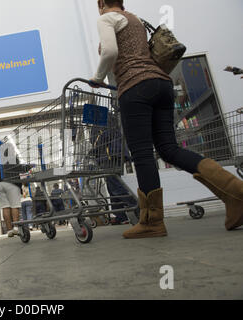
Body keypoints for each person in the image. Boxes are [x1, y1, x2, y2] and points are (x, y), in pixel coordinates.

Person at [90, 0, 243, 238]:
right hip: (161, 83)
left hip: (135, 87)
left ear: (100, 3)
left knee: (142, 154)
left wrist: (97, 78)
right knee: (169, 149)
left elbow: (110, 51)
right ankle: (236, 193)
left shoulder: (106, 18)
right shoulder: (135, 20)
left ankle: (152, 221)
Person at [0, 147, 28, 237]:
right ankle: (15, 228)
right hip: (11, 182)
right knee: (15, 206)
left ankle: (9, 231)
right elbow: (20, 170)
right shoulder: (14, 158)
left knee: (5, 207)